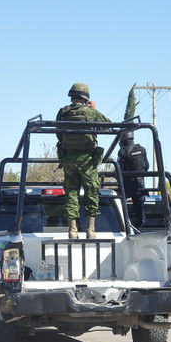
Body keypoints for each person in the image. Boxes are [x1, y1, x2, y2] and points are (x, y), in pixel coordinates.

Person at [56, 82, 111, 239]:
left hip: (68, 160)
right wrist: (94, 109)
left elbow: (58, 134)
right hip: (87, 160)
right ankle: (90, 230)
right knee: (91, 192)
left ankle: (72, 230)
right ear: (85, 97)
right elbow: (108, 126)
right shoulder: (90, 112)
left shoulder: (62, 112)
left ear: (72, 96)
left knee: (71, 193)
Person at [117, 131, 149, 229]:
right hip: (140, 183)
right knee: (139, 207)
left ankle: (124, 224)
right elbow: (147, 166)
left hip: (127, 183)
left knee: (119, 202)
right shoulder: (142, 149)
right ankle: (139, 225)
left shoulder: (122, 151)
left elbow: (119, 169)